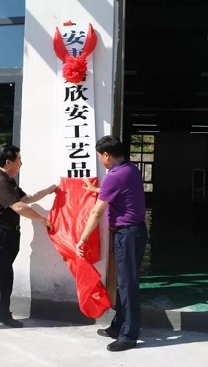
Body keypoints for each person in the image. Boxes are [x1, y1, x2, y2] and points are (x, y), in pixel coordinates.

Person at [0, 144, 57, 334]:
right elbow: (19, 207)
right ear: (8, 162)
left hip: (7, 234)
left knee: (6, 277)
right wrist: (43, 220)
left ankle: (4, 315)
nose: (21, 163)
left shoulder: (8, 181)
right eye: (19, 160)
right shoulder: (0, 181)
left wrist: (48, 190)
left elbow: (25, 199)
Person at [76, 135, 148, 352]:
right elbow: (120, 191)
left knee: (128, 285)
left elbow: (97, 212)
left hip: (127, 235)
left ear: (106, 154)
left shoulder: (113, 176)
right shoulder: (130, 169)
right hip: (134, 233)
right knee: (124, 283)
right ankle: (119, 326)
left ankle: (129, 335)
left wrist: (82, 239)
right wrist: (96, 191)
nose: (100, 160)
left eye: (99, 156)